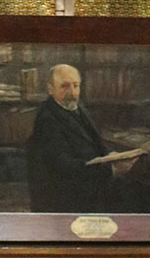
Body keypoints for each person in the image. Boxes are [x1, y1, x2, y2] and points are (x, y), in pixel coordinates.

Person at [26, 63, 130, 213]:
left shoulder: (77, 107)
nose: (72, 92)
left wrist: (111, 155)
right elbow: (64, 166)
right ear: (50, 89)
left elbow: (95, 142)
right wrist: (111, 169)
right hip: (68, 194)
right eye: (65, 86)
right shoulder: (47, 119)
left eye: (76, 86)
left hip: (89, 180)